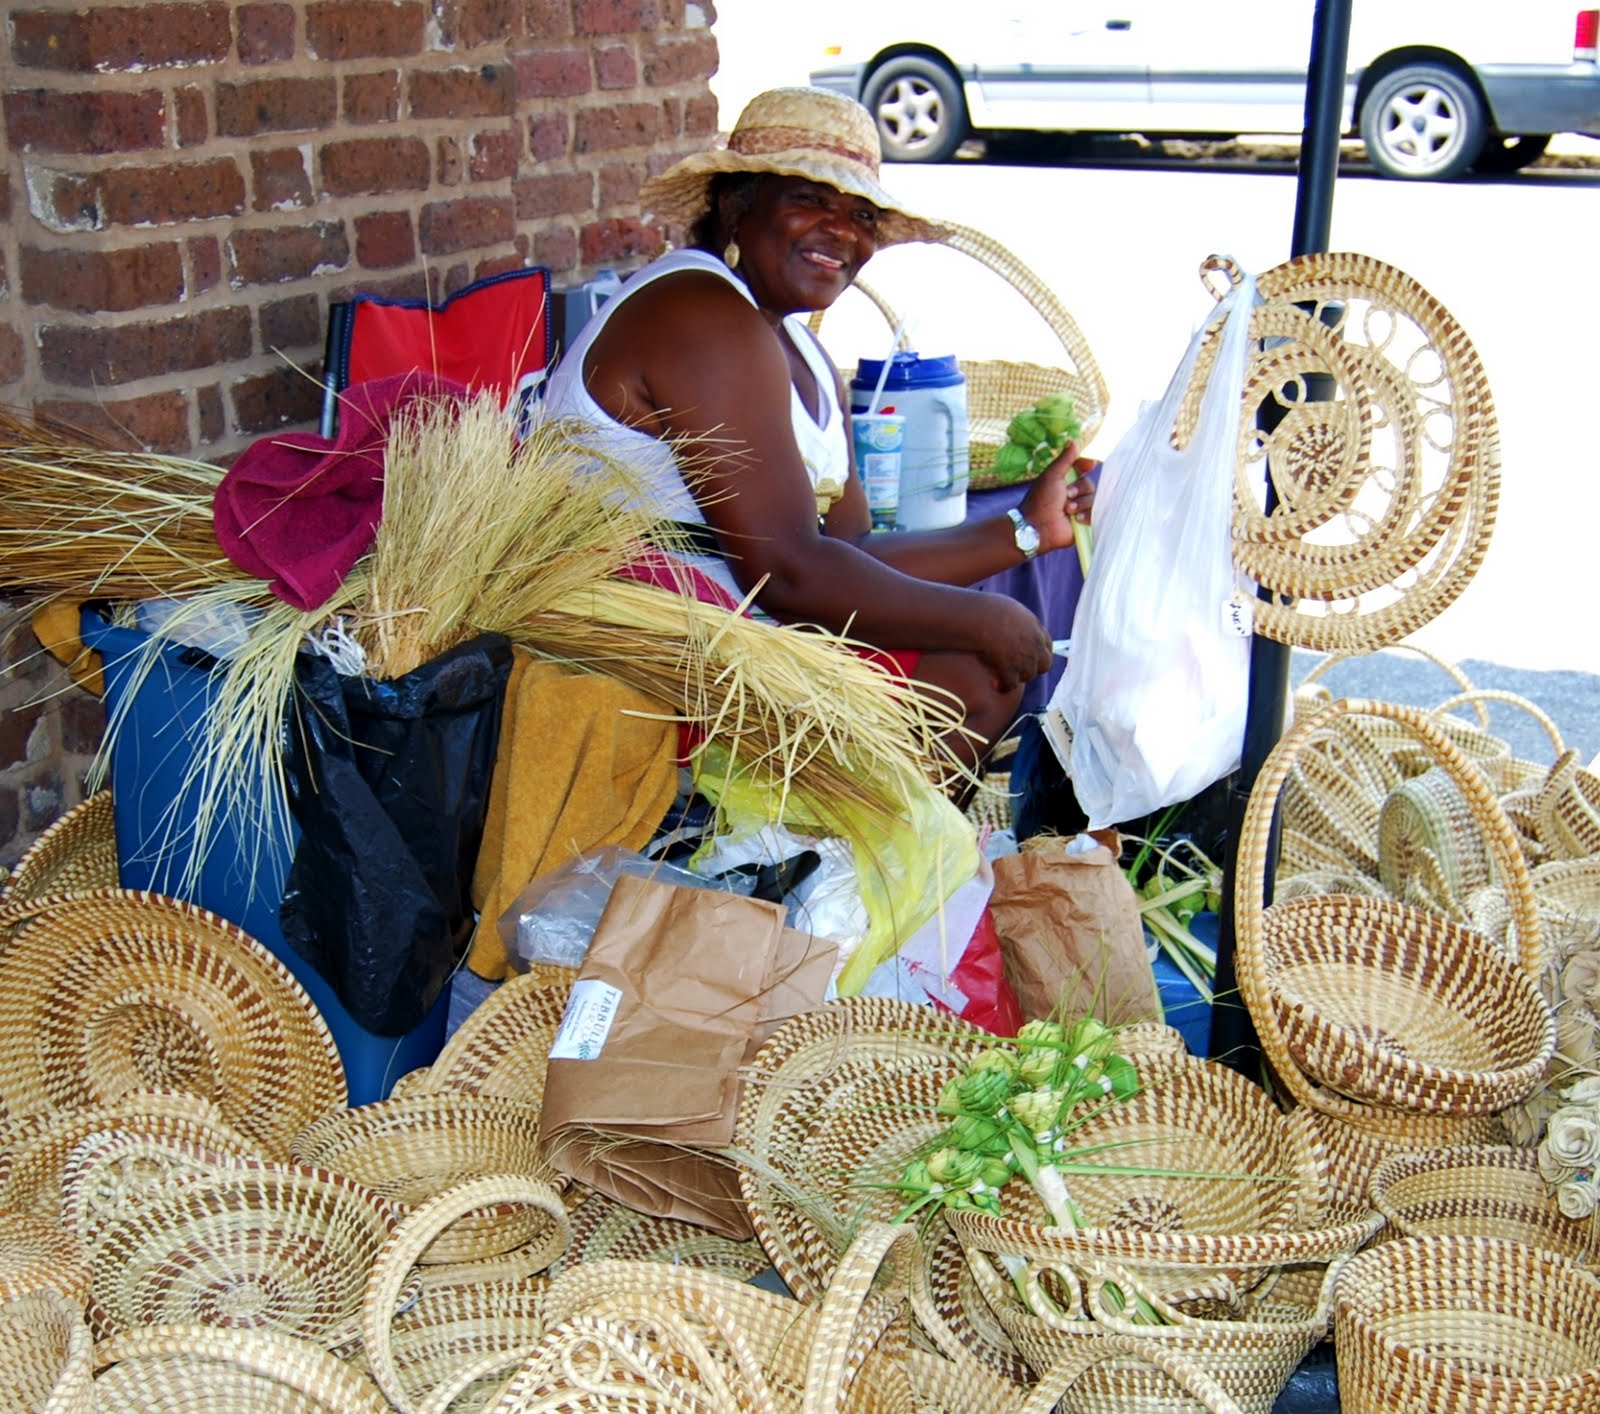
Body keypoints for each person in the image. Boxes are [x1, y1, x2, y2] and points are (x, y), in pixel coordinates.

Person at [544, 86, 1093, 773]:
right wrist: (983, 619)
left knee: (973, 673)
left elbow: (851, 553)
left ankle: (838, 871)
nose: (843, 232)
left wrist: (1025, 530)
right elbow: (790, 575)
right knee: (969, 675)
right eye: (810, 199)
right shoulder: (698, 312)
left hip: (722, 630)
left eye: (861, 214)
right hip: (638, 653)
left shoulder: (801, 351)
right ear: (736, 206)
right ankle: (807, 870)